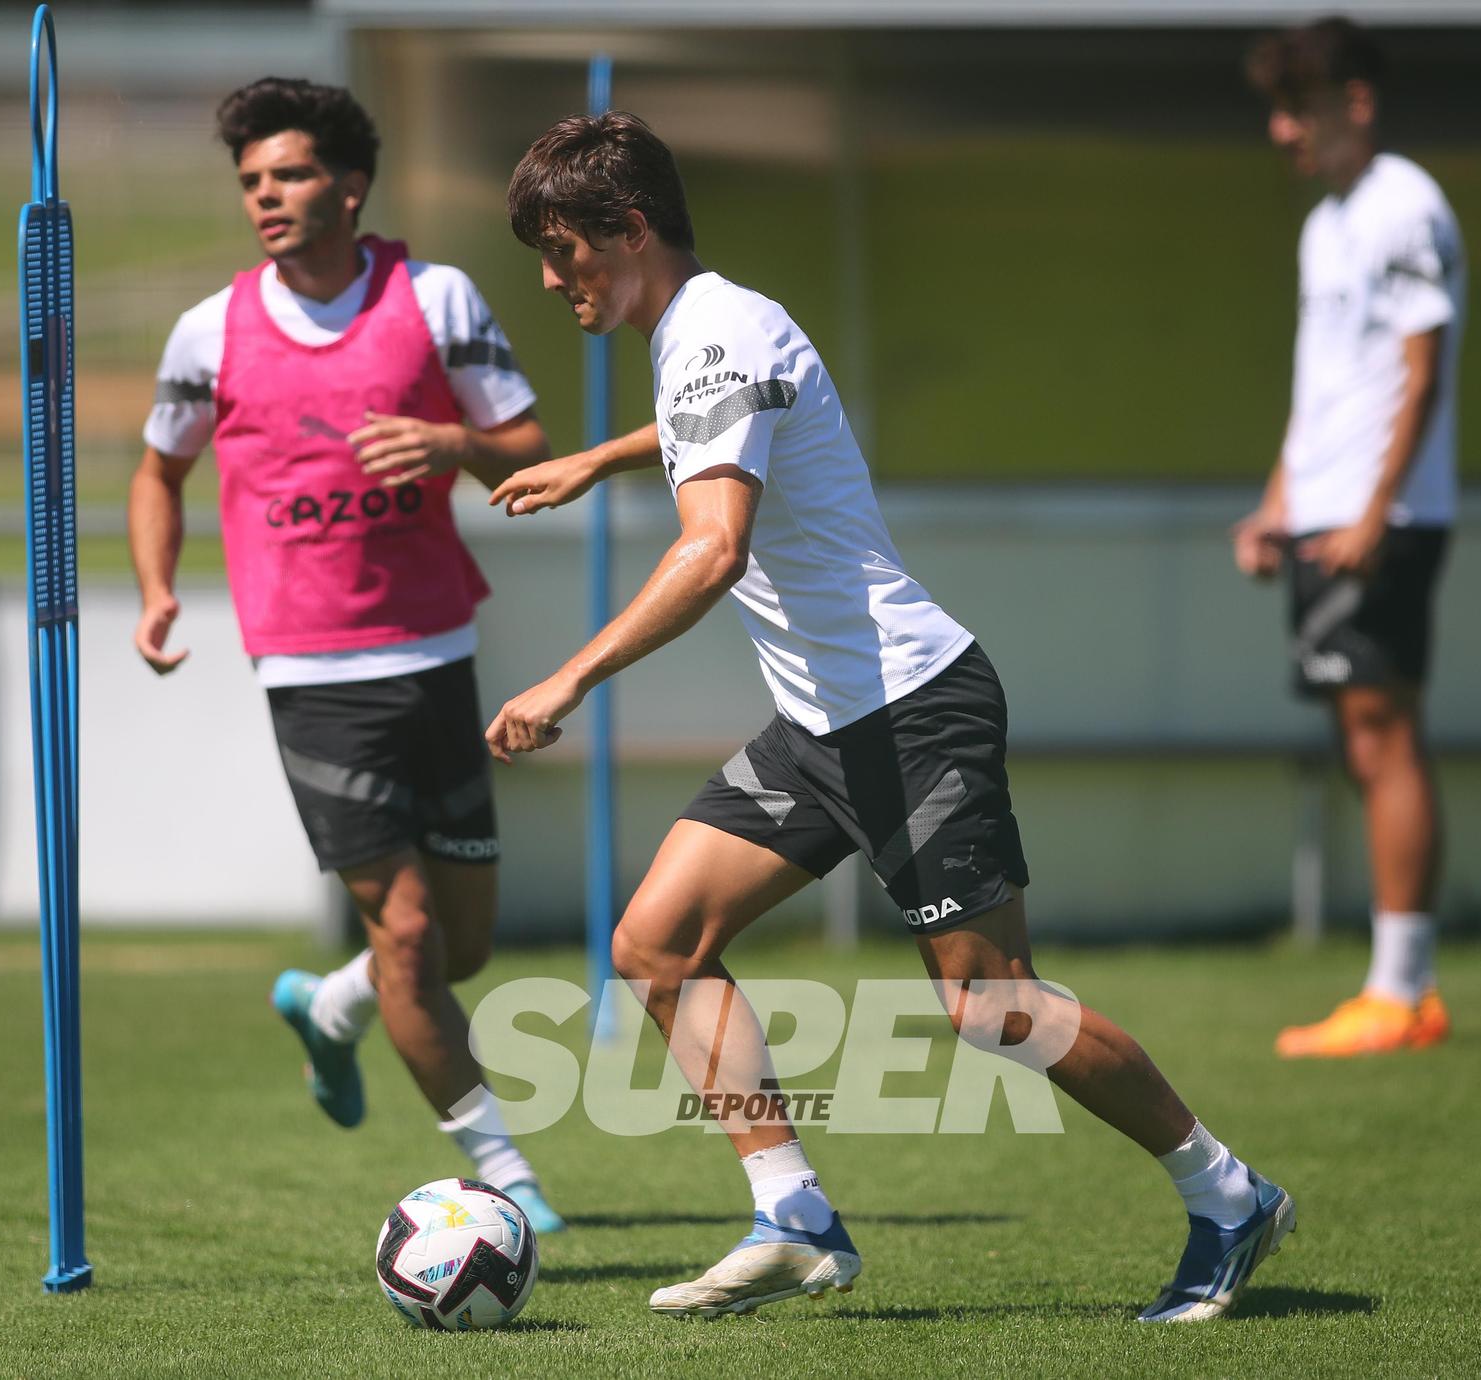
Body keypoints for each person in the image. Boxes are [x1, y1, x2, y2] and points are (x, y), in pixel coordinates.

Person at [481, 111, 1291, 1322]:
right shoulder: (708, 325)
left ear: (630, 229)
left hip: (909, 712)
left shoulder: (712, 328)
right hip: (821, 729)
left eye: (562, 252)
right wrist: (599, 460)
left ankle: (1229, 1197)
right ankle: (793, 1217)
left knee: (991, 1006)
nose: (550, 280)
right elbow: (730, 423)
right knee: (656, 946)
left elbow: (712, 553)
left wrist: (567, 680)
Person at [127, 77, 563, 1232]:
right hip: (309, 671)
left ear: (349, 184)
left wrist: (450, 441)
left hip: (435, 652)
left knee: (458, 946)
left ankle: (331, 1007)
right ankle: (506, 1179)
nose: (266, 196)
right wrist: (160, 589)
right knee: (409, 932)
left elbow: (527, 451)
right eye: (252, 182)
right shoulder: (207, 331)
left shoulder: (437, 297)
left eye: (290, 174)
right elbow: (156, 471)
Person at [1233, 18, 1465, 1060]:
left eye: (1300, 108)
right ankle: (1393, 985)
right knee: (1358, 742)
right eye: (1275, 111)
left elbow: (1422, 370)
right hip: (1327, 518)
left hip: (1385, 518)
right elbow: (1320, 383)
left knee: (1382, 734)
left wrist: (1375, 509)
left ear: (1355, 102)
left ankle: (1401, 992)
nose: (1281, 130)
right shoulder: (1323, 222)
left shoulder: (1403, 204)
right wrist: (1278, 500)